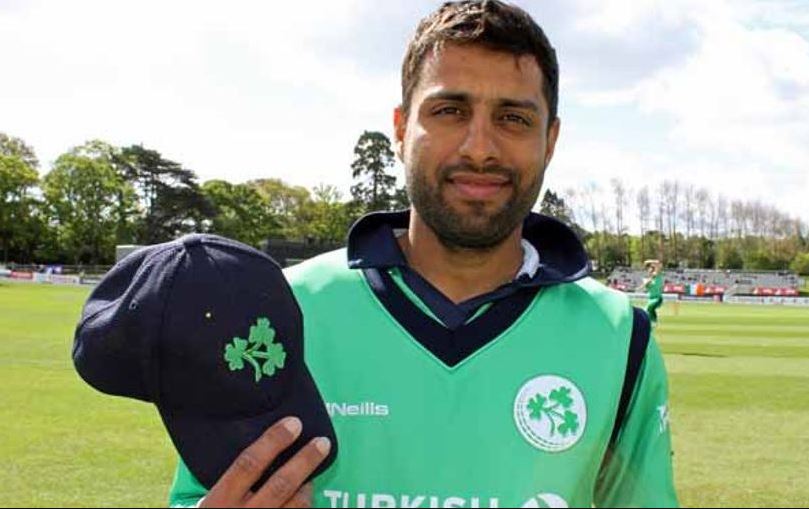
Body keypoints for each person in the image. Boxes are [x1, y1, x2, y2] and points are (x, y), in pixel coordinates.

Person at [169, 1, 678, 507]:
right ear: (400, 128)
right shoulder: (281, 314)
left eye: (513, 118)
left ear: (550, 140)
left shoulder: (618, 337)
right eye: (450, 111)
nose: (479, 148)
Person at [640, 260, 666, 324]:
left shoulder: (657, 276)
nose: (650, 271)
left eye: (651, 270)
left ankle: (654, 321)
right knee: (646, 311)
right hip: (650, 299)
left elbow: (658, 264)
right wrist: (643, 286)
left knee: (649, 308)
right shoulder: (648, 280)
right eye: (649, 270)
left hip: (657, 298)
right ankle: (650, 322)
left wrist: (650, 261)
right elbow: (645, 286)